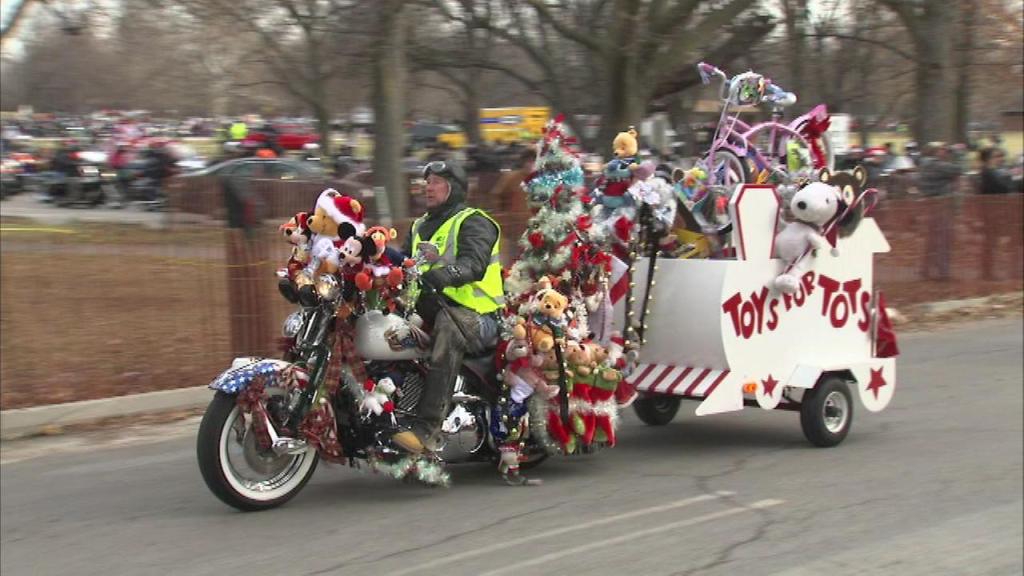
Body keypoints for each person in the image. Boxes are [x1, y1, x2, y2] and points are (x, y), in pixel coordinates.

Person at [391, 160, 504, 454]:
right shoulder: (419, 226)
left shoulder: (474, 221)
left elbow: (474, 263)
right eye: (426, 181)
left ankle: (427, 430)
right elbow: (401, 263)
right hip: (429, 310)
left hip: (479, 317)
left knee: (449, 326)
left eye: (436, 181)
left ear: (453, 187)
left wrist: (443, 275)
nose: (428, 186)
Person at [918, 143, 961, 281]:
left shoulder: (925, 164)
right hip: (940, 205)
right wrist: (957, 155)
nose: (946, 152)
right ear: (935, 152)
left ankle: (925, 269)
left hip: (931, 205)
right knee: (943, 239)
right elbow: (957, 169)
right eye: (943, 150)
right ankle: (943, 271)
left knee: (931, 240)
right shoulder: (934, 165)